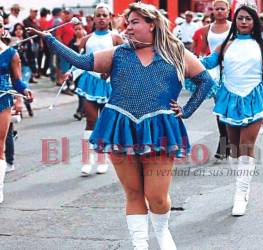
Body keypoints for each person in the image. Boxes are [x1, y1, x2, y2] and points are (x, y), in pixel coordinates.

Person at [28, 2, 214, 249]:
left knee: (157, 198)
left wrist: (187, 110)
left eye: (135, 22)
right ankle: (140, 244)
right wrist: (51, 41)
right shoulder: (119, 53)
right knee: (134, 192)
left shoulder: (175, 53)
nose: (128, 28)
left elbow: (205, 81)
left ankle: (162, 232)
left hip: (160, 130)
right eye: (127, 23)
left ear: (151, 24)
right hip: (120, 127)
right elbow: (82, 61)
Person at [201, 3, 263, 216]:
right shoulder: (225, 45)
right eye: (240, 18)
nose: (243, 22)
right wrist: (180, 52)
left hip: (255, 98)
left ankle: (240, 193)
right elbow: (206, 63)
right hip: (229, 98)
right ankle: (242, 182)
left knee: (246, 145)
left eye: (248, 18)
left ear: (255, 22)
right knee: (233, 148)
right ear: (235, 21)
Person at [66, 4, 123, 176]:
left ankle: (102, 158)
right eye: (98, 15)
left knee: (105, 122)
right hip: (90, 82)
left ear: (109, 17)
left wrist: (111, 71)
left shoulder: (116, 38)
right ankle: (87, 160)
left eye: (104, 15)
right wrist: (71, 73)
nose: (101, 18)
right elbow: (80, 62)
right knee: (90, 121)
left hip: (109, 84)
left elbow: (123, 61)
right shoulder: (86, 39)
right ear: (94, 18)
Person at [0, 16, 33, 203]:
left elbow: (17, 81)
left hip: (2, 101)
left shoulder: (11, 54)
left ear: (3, 29)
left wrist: (24, 90)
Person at [199, 0, 232, 162]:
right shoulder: (208, 29)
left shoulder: (234, 27)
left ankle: (230, 142)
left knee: (229, 106)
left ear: (228, 10)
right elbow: (205, 51)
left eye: (222, 8)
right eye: (216, 9)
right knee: (220, 107)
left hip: (233, 70)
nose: (219, 11)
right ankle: (224, 141)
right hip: (215, 72)